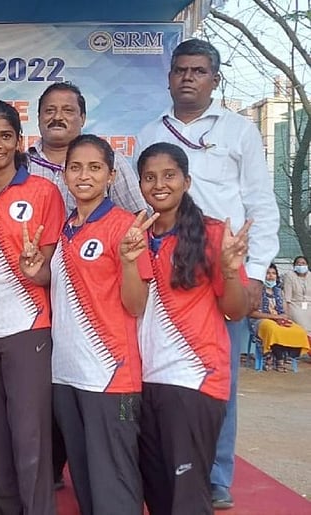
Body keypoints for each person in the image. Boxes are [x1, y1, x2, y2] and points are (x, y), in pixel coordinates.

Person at [135, 38, 278, 510]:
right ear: (170, 77)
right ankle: (163, 469)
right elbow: (140, 204)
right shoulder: (148, 132)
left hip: (222, 265)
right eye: (180, 70)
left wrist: (252, 269)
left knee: (217, 377)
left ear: (215, 79)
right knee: (162, 373)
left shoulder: (239, 131)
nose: (188, 78)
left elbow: (260, 203)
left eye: (199, 71)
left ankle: (215, 475)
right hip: (165, 268)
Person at [35, 134, 155, 515]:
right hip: (66, 374)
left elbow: (136, 305)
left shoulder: (125, 227)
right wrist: (34, 271)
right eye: (75, 167)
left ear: (111, 175)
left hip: (110, 376)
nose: (83, 175)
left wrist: (132, 262)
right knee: (85, 481)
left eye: (94, 167)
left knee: (113, 484)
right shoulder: (67, 228)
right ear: (64, 174)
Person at [135, 142, 250, 515]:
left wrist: (230, 272)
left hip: (193, 381)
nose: (159, 185)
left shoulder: (213, 235)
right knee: (157, 493)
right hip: (146, 381)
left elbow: (235, 310)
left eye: (169, 175)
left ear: (186, 180)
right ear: (139, 185)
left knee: (187, 499)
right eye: (150, 177)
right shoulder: (137, 235)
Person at [0, 101, 64, 514]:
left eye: (5, 136)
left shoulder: (44, 192)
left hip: (27, 325)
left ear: (19, 141)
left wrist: (36, 270)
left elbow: (49, 271)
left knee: (30, 433)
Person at [28, 81, 146, 214]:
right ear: (38, 118)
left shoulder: (111, 160)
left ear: (82, 118)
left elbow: (138, 218)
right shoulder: (21, 163)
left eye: (68, 111)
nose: (57, 117)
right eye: (49, 111)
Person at [250, 264, 310, 371]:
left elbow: (285, 312)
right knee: (272, 328)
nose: (270, 276)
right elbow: (252, 313)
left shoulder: (279, 292)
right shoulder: (256, 291)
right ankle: (278, 359)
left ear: (277, 276)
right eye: (268, 273)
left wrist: (282, 318)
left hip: (278, 320)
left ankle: (288, 355)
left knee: (298, 330)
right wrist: (274, 317)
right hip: (260, 321)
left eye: (273, 273)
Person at [281, 256, 311, 331]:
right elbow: (287, 298)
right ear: (294, 266)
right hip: (295, 305)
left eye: (303, 263)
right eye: (298, 263)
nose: (300, 265)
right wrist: (286, 313)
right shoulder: (289, 276)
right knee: (302, 325)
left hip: (309, 304)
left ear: (307, 265)